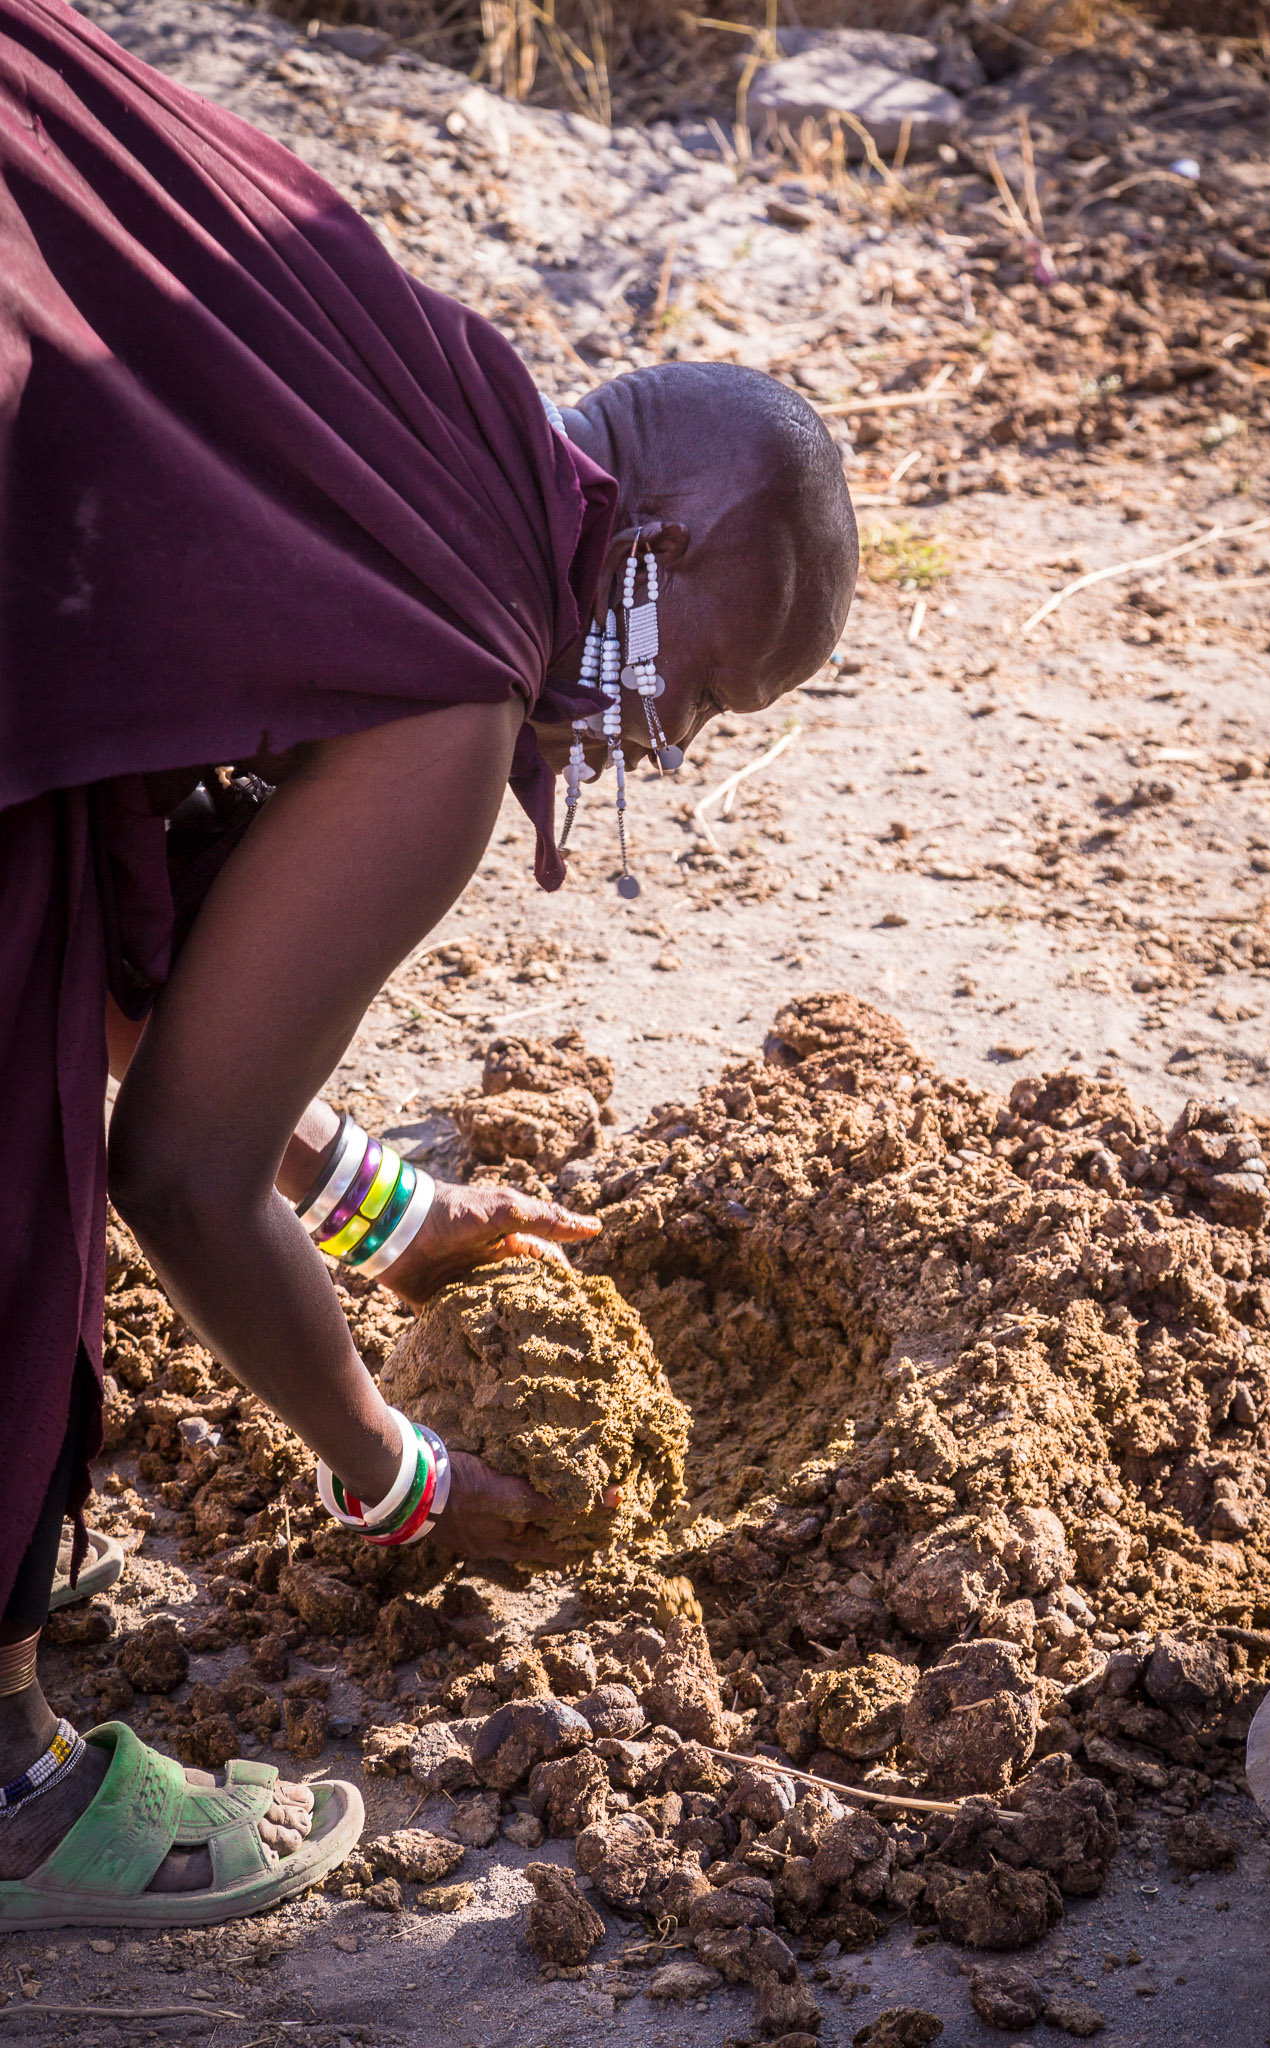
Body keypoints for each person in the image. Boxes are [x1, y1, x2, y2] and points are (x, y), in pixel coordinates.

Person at [0, 0, 858, 1928]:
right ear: (656, 528)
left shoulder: (410, 408)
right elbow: (177, 1177)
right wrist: (393, 1472)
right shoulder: (465, 670)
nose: (661, 751)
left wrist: (395, 1211)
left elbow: (109, 929)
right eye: (704, 686)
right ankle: (8, 1789)